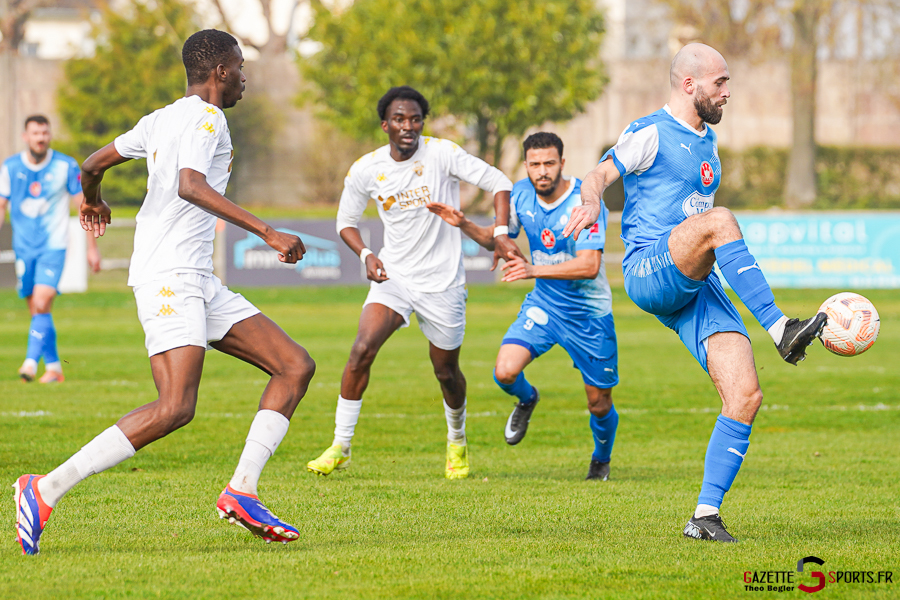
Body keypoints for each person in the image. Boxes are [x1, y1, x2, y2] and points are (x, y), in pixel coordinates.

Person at [13, 29, 316, 555]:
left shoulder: (160, 118)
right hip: (170, 276)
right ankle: (42, 489)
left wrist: (93, 200)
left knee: (294, 365)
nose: (245, 76)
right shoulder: (206, 117)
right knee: (176, 406)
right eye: (241, 66)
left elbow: (91, 164)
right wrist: (268, 232)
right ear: (220, 70)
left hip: (196, 277)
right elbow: (190, 185)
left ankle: (241, 491)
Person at [562, 43, 827, 542]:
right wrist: (592, 200)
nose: (727, 93)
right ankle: (779, 327)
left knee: (745, 394)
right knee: (720, 218)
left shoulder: (708, 141)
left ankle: (704, 516)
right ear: (690, 85)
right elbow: (598, 174)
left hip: (694, 280)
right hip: (648, 268)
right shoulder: (650, 133)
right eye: (720, 83)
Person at [306, 86, 514, 480]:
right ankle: (340, 445)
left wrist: (500, 231)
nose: (408, 126)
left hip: (443, 284)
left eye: (415, 119)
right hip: (394, 277)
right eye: (400, 119)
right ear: (385, 125)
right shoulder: (366, 168)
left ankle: (457, 442)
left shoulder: (442, 154)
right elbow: (345, 223)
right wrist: (367, 255)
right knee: (361, 349)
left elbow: (500, 181)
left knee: (446, 372)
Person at [428, 132, 619, 480]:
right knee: (504, 372)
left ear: (562, 163)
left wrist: (533, 269)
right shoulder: (520, 194)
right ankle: (527, 399)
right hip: (545, 306)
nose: (541, 171)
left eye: (549, 163)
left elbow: (589, 265)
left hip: (588, 315)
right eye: (534, 164)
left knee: (599, 403)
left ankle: (600, 458)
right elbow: (498, 240)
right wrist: (465, 224)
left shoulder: (585, 200)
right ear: (526, 166)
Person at [0, 115, 102, 383]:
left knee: (43, 301)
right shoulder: (9, 168)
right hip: (24, 248)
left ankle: (30, 364)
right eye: (35, 133)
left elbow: (85, 207)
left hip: (53, 247)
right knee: (37, 310)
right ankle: (55, 368)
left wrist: (92, 248)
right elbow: (1, 206)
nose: (41, 138)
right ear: (26, 137)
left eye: (45, 133)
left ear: (49, 135)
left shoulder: (65, 166)